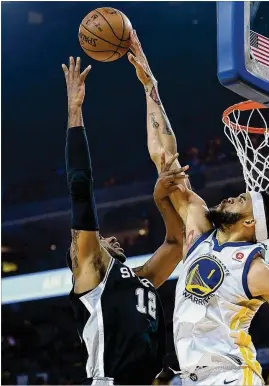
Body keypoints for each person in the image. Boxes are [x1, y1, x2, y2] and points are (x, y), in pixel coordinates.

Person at [128, 33, 269, 386]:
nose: (231, 198)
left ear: (251, 221)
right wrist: (150, 86)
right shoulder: (198, 230)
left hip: (234, 378)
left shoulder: (258, 271)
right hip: (193, 378)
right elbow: (164, 157)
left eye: (241, 199)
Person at [62, 56, 188, 385]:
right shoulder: (91, 271)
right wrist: (75, 113)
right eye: (101, 240)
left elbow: (176, 243)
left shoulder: (139, 280)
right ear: (78, 257)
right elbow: (80, 188)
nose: (111, 239)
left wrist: (161, 199)